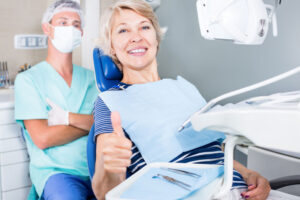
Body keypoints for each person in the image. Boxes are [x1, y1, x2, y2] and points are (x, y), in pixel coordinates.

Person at [91, 0, 271, 199]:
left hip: (238, 190)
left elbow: (214, 148)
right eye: (123, 31)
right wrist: (106, 167)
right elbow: (104, 192)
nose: (136, 37)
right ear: (112, 47)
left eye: (144, 27)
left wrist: (249, 174)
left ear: (156, 38)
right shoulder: (110, 101)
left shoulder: (185, 88)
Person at [14, 0, 98, 199]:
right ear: (47, 28)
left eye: (76, 24)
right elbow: (43, 138)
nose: (70, 28)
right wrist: (88, 122)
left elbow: (105, 123)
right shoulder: (28, 80)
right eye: (63, 22)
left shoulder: (92, 79)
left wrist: (66, 117)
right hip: (57, 174)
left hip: (97, 169)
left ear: (82, 33)